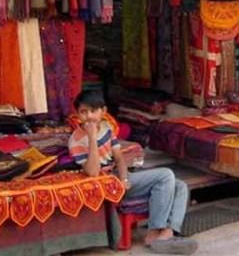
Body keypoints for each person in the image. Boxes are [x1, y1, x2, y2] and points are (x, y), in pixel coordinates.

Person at [68, 91, 198, 255]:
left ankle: (167, 233)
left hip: (117, 179)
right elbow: (93, 172)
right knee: (165, 175)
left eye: (93, 111)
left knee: (180, 186)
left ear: (104, 111)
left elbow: (119, 158)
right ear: (77, 115)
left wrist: (124, 178)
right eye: (83, 112)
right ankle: (154, 232)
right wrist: (92, 138)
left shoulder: (107, 129)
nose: (89, 116)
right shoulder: (76, 140)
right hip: (102, 185)